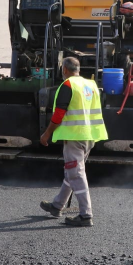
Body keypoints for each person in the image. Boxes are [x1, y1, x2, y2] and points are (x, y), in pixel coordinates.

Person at [39, 57, 108, 227]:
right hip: (89, 136)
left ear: (64, 70)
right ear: (78, 69)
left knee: (76, 174)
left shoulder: (68, 85)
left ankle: (86, 215)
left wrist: (46, 134)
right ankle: (57, 206)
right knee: (73, 172)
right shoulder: (91, 85)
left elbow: (58, 115)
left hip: (75, 137)